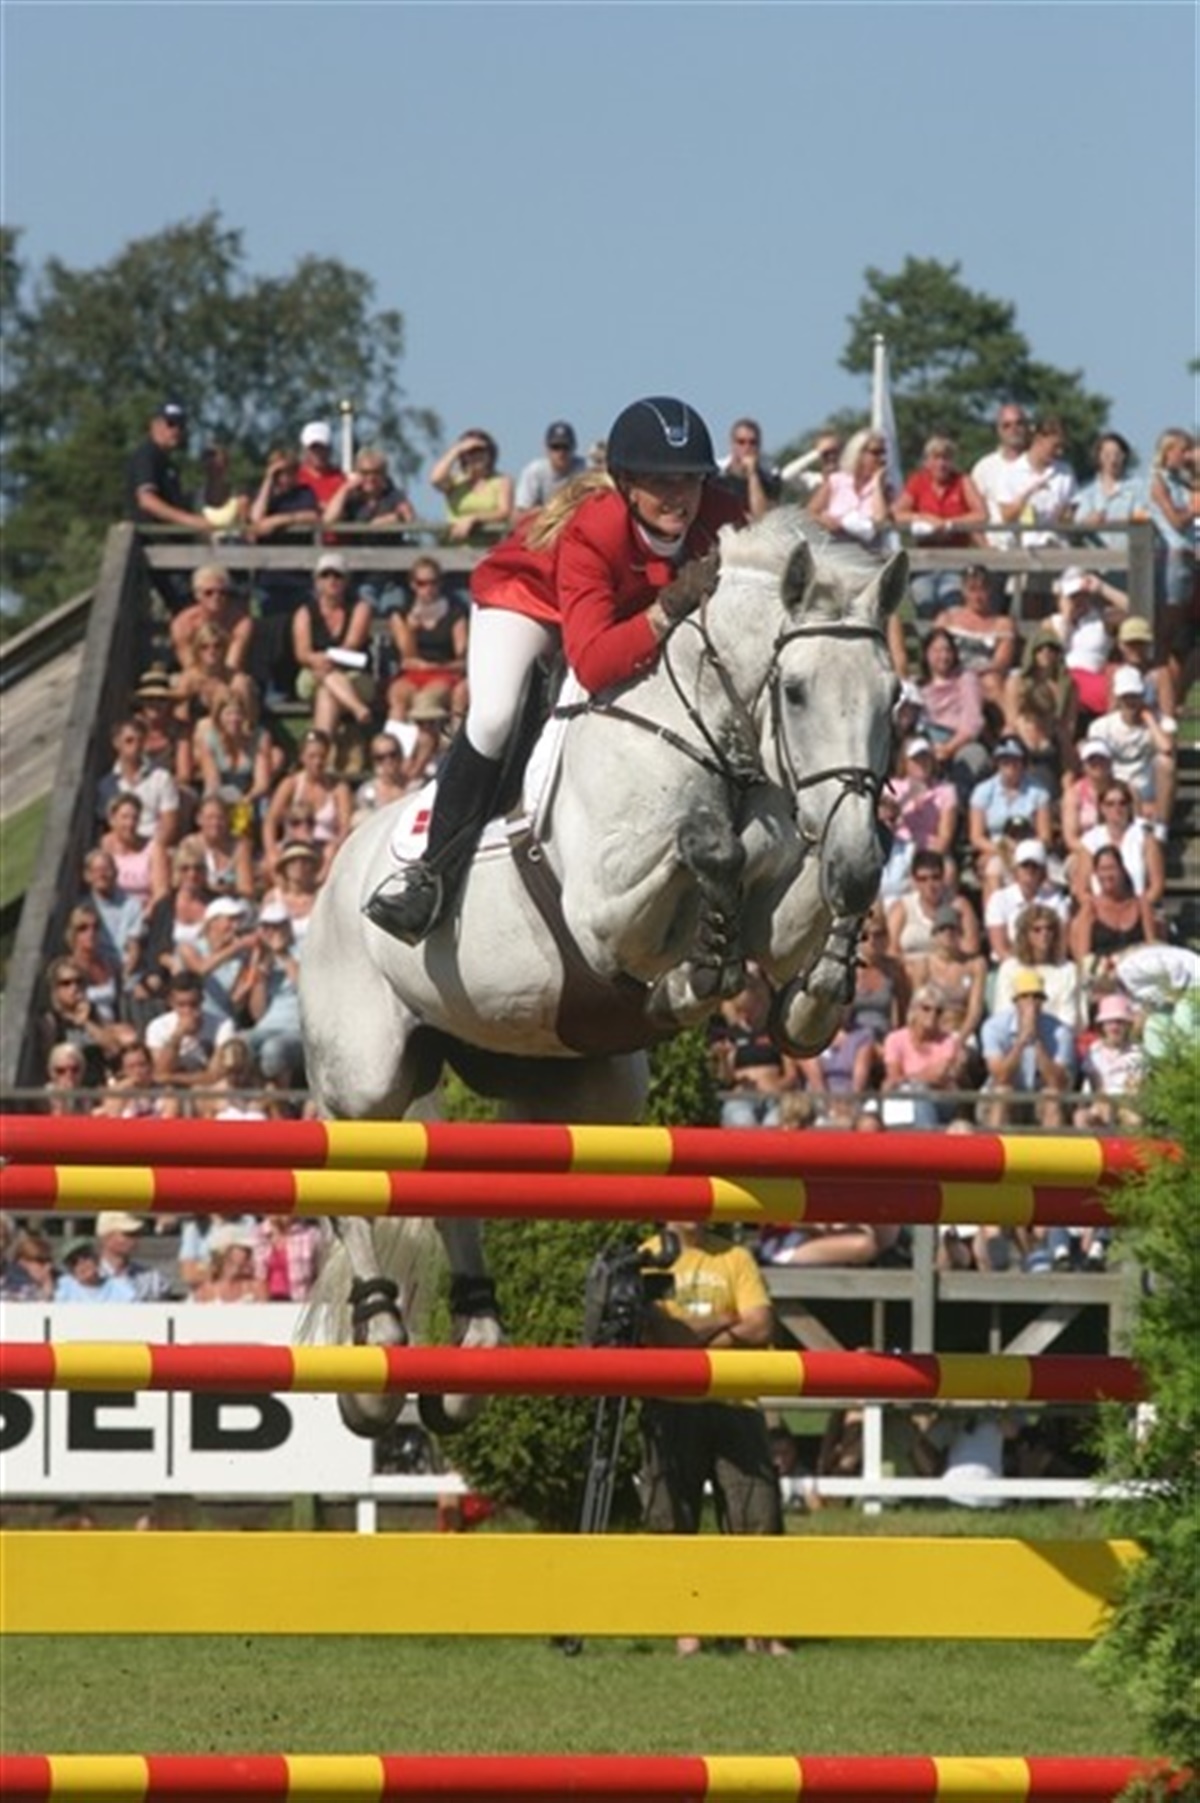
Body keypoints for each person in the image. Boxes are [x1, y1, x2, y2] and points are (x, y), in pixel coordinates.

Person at [364, 395, 745, 944]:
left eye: (690, 479)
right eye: (661, 481)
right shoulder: (596, 529)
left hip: (618, 611)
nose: (679, 495)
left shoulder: (724, 518)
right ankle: (430, 873)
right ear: (626, 484)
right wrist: (663, 614)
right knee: (495, 717)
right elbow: (592, 663)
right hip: (528, 601)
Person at [639, 1219, 788, 1657]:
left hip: (735, 1402)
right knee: (671, 1518)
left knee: (757, 1516)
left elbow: (762, 1326)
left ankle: (760, 1631)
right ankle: (687, 1632)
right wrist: (725, 1321)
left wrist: (691, 1337)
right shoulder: (649, 1257)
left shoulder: (736, 1257)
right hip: (671, 1404)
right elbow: (661, 1335)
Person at [247, 448, 322, 699]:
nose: (285, 477)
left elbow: (312, 516)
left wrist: (280, 520)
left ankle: (291, 689)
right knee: (269, 637)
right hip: (269, 581)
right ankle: (271, 690)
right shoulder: (263, 496)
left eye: (290, 471)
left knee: (295, 636)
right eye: (280, 472)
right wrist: (268, 480)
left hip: (298, 580)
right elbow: (256, 521)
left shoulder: (304, 493)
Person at [891, 435, 986, 617]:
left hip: (956, 560)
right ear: (926, 461)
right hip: (924, 561)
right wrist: (923, 518)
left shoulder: (962, 481)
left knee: (952, 602)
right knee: (924, 600)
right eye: (936, 458)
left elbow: (981, 515)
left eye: (946, 458)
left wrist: (950, 524)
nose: (941, 464)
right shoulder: (918, 481)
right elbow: (896, 514)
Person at [292, 552, 377, 739]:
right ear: (317, 581)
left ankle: (319, 749)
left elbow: (351, 644)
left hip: (354, 674)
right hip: (314, 673)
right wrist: (318, 660)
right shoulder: (304, 613)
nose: (332, 580)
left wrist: (325, 660)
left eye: (338, 575)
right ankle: (357, 708)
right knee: (325, 678)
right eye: (325, 575)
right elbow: (302, 653)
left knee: (327, 692)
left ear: (346, 581)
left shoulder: (360, 609)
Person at [980, 969, 1077, 1128]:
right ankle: (994, 1143)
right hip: (1005, 1095)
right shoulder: (994, 1027)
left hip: (1039, 1099)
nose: (1031, 1002)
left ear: (1043, 1001)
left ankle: (1052, 1144)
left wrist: (1036, 1039)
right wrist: (1021, 1042)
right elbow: (1000, 1077)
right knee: (1003, 1092)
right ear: (1016, 1001)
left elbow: (1056, 1081)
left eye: (1036, 997)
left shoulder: (1060, 1031)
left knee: (1052, 1097)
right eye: (1025, 997)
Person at [1089, 666, 1176, 835]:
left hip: (1148, 787)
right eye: (1126, 697)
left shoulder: (1158, 722)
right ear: (1118, 698)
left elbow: (1166, 747)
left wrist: (1149, 719)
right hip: (1116, 786)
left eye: (1135, 696)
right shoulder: (1101, 726)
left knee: (1166, 763)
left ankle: (1161, 828)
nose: (1131, 702)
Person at [967, 736, 1053, 899]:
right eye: (1004, 760)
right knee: (993, 869)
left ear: (1023, 762)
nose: (1010, 765)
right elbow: (976, 837)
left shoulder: (1039, 792)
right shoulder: (982, 791)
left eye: (1015, 760)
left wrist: (1022, 850)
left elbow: (1045, 836)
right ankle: (995, 913)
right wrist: (1003, 851)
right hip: (995, 849)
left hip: (1030, 848)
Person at [710, 968, 797, 1128]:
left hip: (773, 1098)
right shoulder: (733, 1034)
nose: (747, 1015)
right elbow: (727, 1078)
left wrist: (777, 1087)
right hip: (742, 1097)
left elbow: (792, 1074)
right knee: (743, 1120)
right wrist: (723, 1057)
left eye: (750, 1009)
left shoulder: (776, 1033)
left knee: (774, 1123)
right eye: (742, 1010)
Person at [262, 728, 352, 882]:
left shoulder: (338, 788)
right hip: (293, 844)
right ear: (302, 757)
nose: (317, 762)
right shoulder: (291, 784)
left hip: (325, 846)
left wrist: (336, 846)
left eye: (322, 756)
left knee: (331, 855)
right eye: (312, 756)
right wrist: (271, 850)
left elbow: (345, 826)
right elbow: (270, 821)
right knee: (268, 864)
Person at [385, 556, 469, 718]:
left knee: (427, 698)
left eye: (433, 582)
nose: (428, 588)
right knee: (398, 695)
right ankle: (394, 735)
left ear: (440, 583)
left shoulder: (455, 614)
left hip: (444, 672)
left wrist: (433, 667)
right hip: (412, 674)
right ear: (412, 584)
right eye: (421, 583)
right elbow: (407, 657)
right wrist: (410, 631)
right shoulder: (402, 614)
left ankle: (426, 734)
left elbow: (462, 660)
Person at [1045, 566, 1129, 720]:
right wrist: (1067, 617)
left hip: (1092, 677)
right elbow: (1054, 650)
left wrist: (1103, 589)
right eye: (1073, 597)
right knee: (1062, 687)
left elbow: (1137, 611)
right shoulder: (1053, 622)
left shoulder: (1102, 619)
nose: (1078, 601)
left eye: (1082, 595)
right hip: (1063, 677)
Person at [1001, 629, 1078, 796]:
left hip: (1051, 741)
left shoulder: (1067, 686)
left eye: (1052, 648)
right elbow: (1011, 719)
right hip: (1021, 740)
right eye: (1040, 648)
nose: (1046, 652)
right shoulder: (1016, 682)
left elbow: (1069, 725)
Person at [918, 628, 989, 801]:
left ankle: (958, 807)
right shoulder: (920, 686)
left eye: (947, 650)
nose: (943, 656)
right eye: (936, 651)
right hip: (927, 739)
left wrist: (949, 748)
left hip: (959, 740)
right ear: (926, 654)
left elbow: (973, 722)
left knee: (974, 756)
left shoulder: (966, 679)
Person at [882, 986, 968, 1125]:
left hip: (941, 1098)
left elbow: (939, 1076)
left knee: (920, 1098)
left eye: (938, 1011)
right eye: (926, 1008)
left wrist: (908, 1078)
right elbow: (894, 1077)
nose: (932, 1014)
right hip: (904, 1098)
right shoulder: (895, 1039)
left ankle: (926, 1137)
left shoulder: (947, 1041)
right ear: (914, 1010)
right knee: (918, 1098)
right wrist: (925, 1076)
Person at [125, 401, 210, 539]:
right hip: (151, 544)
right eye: (170, 424)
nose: (176, 430)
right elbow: (147, 501)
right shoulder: (147, 455)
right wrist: (190, 520)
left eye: (180, 425)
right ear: (155, 425)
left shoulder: (167, 463)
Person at [993, 903, 1082, 1031]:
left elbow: (1068, 1018)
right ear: (1025, 935)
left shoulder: (1067, 970)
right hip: (1015, 1034)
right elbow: (1003, 1013)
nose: (1044, 933)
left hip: (1056, 1035)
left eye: (1049, 929)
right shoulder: (1009, 968)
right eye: (1037, 929)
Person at [1069, 843, 1158, 971]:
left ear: (1122, 870)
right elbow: (1084, 959)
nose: (1107, 875)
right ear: (1096, 873)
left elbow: (1153, 948)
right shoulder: (1090, 908)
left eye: (1111, 868)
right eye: (1102, 869)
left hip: (1138, 972)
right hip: (1103, 976)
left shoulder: (1141, 905)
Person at [937, 563, 1018, 704]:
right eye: (972, 590)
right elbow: (934, 652)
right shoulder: (947, 619)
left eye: (982, 589)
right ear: (963, 591)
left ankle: (1009, 718)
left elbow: (1001, 662)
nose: (977, 596)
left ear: (989, 591)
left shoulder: (1003, 624)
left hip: (985, 676)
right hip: (951, 672)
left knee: (992, 682)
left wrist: (972, 676)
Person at [96, 716, 181, 848]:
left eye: (140, 740)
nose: (135, 746)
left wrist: (152, 850)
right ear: (116, 743)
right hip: (121, 847)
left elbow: (169, 823)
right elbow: (107, 826)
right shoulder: (107, 785)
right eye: (129, 741)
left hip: (156, 845)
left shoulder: (161, 778)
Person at [1076, 780, 1164, 907]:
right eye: (1110, 804)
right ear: (1101, 808)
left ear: (1129, 806)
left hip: (1138, 908)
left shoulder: (1146, 839)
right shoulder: (1090, 841)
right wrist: (1100, 909)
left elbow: (1157, 887)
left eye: (1122, 803)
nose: (1117, 809)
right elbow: (1082, 890)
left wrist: (1136, 909)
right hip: (1099, 909)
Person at [169, 566, 255, 694]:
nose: (216, 597)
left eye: (222, 592)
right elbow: (189, 665)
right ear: (197, 595)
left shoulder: (241, 622)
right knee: (183, 682)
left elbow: (232, 664)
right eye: (209, 592)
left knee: (242, 684)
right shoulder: (183, 624)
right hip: (194, 675)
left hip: (228, 674)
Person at [983, 838, 1070, 964]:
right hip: (1009, 964)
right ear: (1016, 870)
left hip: (1048, 964)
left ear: (1043, 872)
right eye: (1025, 865)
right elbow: (1000, 948)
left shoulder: (1056, 900)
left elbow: (1061, 942)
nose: (1030, 870)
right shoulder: (999, 899)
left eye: (1035, 866)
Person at [807, 427, 893, 550]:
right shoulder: (836, 481)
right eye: (876, 453)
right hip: (834, 550)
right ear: (859, 453)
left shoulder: (884, 488)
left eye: (883, 453)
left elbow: (880, 521)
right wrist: (826, 522)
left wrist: (877, 483)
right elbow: (811, 512)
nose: (882, 458)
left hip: (868, 554)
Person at [1074, 992, 1145, 1130]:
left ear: (1127, 1025)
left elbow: (1135, 1088)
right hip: (1100, 1104)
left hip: (1127, 1106)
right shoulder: (1094, 1051)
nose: (1114, 1027)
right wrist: (1104, 1104)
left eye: (1119, 1022)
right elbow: (1095, 1086)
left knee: (1135, 1119)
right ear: (1102, 1025)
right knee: (1081, 1117)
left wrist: (1116, 1106)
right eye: (1109, 1022)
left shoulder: (1138, 1053)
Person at [430, 429, 514, 544]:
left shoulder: (502, 481)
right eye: (471, 452)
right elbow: (436, 479)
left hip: (488, 548)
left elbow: (504, 512)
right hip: (454, 548)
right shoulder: (455, 482)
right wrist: (458, 449)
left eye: (481, 450)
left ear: (490, 453)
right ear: (463, 456)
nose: (477, 455)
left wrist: (474, 518)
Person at [1073, 431, 1149, 555]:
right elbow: (1076, 526)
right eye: (1107, 455)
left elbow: (1142, 519)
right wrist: (1087, 522)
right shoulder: (1085, 491)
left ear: (1124, 456)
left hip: (1128, 558)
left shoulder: (1138, 487)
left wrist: (1111, 522)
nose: (1113, 460)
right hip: (1094, 559)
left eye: (1117, 455)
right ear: (1098, 457)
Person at [970, 403, 1030, 554]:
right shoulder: (984, 468)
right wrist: (986, 550)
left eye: (1019, 423)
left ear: (1027, 427)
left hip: (1035, 551)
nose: (1013, 429)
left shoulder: (1041, 466)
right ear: (998, 430)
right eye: (1006, 425)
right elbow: (973, 514)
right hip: (996, 550)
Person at [98, 792, 170, 915]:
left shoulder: (153, 848)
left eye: (134, 818)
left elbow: (161, 890)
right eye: (124, 817)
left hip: (145, 913)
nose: (130, 823)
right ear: (112, 820)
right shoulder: (104, 847)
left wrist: (147, 912)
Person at [713, 417, 782, 521]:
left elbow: (763, 518)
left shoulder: (770, 477)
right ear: (732, 444)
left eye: (752, 443)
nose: (747, 447)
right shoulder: (717, 476)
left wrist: (752, 474)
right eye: (741, 442)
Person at [94, 1210, 171, 1301]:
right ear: (106, 1238)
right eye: (127, 1234)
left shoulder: (152, 1280)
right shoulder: (87, 1278)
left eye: (136, 1233)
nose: (134, 1239)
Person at [514, 420, 586, 516]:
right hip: (544, 521)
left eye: (565, 447)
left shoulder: (585, 469)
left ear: (574, 447)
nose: (561, 452)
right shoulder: (535, 472)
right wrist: (549, 510)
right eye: (555, 447)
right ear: (546, 449)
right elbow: (520, 513)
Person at [294, 419, 346, 510]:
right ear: (305, 450)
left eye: (322, 448)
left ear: (330, 449)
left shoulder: (340, 479)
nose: (318, 453)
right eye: (313, 448)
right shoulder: (295, 478)